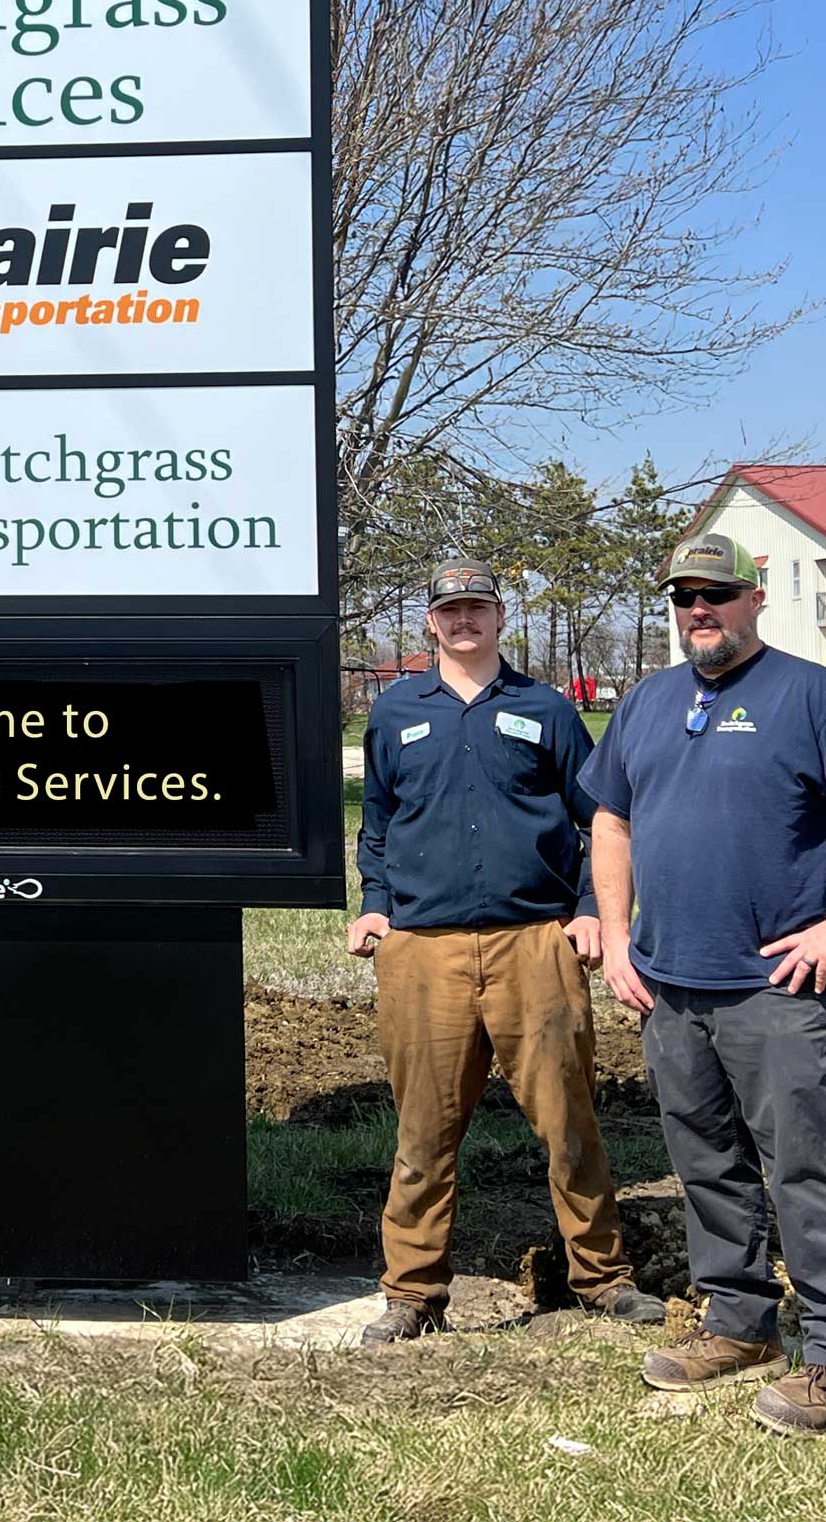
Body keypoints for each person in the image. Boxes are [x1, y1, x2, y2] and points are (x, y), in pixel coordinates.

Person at [581, 532, 826, 1435]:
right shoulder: (647, 702)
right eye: (684, 596)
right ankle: (739, 1324)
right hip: (669, 989)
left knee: (806, 1167)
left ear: (754, 596)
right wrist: (616, 936)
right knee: (706, 1163)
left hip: (777, 992)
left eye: (717, 592)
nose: (699, 610)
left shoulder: (809, 694)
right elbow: (611, 819)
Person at [348, 558, 667, 1343]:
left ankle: (602, 1277)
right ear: (430, 622)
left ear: (500, 618)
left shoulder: (547, 709)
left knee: (568, 1121)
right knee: (423, 1132)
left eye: (477, 607)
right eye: (450, 609)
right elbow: (377, 824)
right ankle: (413, 1293)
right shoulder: (394, 713)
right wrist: (375, 903)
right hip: (423, 949)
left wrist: (591, 910)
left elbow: (602, 819)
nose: (464, 620)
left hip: (536, 945)